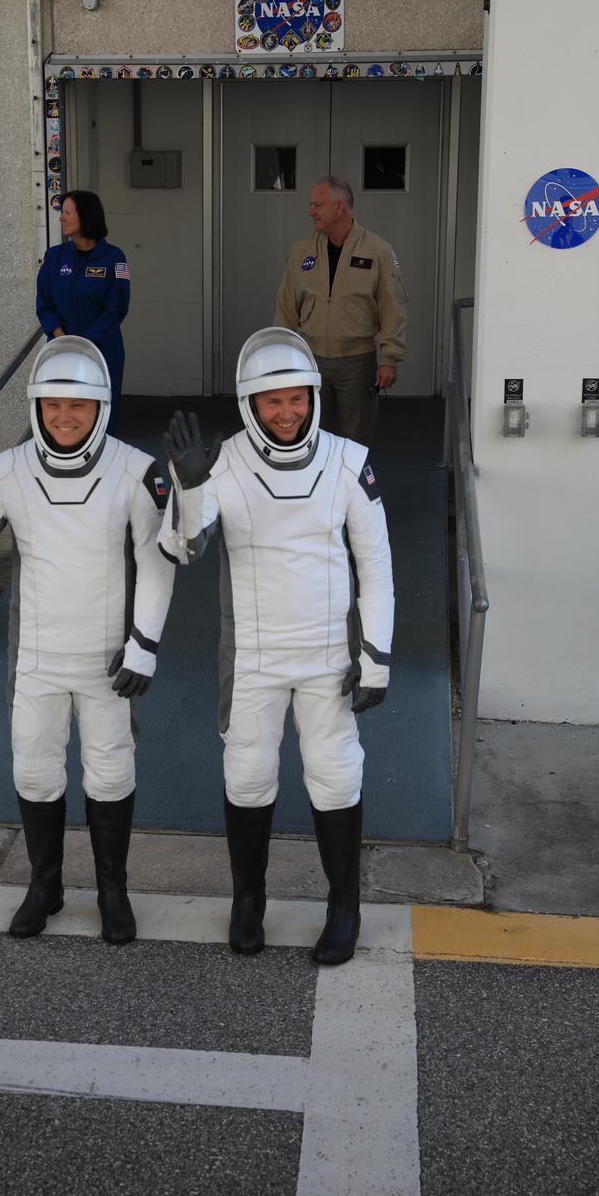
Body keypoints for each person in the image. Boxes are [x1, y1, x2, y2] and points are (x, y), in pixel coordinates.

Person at [0, 336, 173, 944]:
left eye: (77, 405)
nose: (64, 417)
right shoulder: (9, 469)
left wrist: (144, 646)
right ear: (36, 406)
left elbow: (158, 563)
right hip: (36, 657)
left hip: (108, 658)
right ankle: (45, 887)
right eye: (53, 405)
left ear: (100, 406)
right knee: (35, 772)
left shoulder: (136, 470)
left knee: (110, 773)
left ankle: (112, 890)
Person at [159, 327, 394, 965]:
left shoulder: (349, 461)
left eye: (296, 398)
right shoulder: (221, 461)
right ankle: (248, 900)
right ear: (250, 404)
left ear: (313, 396)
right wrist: (188, 487)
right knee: (248, 774)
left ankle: (344, 908)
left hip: (329, 657)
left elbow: (376, 566)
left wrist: (375, 656)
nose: (286, 413)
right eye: (272, 401)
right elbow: (183, 548)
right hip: (253, 659)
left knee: (335, 777)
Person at [274, 175, 407, 447]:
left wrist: (389, 357)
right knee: (307, 436)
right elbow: (286, 307)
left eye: (317, 205)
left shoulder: (378, 251)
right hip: (311, 361)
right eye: (311, 205)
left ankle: (353, 478)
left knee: (355, 440)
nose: (311, 212)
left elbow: (392, 307)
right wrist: (281, 356)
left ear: (339, 207)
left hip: (357, 363)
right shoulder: (301, 252)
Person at [36, 190, 130, 435]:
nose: (61, 218)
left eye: (67, 212)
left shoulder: (114, 258)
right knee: (64, 417)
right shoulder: (54, 257)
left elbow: (117, 307)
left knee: (102, 414)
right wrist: (63, 340)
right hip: (61, 351)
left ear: (85, 216)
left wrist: (87, 344)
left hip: (102, 351)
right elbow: (44, 303)